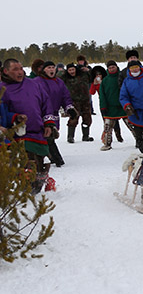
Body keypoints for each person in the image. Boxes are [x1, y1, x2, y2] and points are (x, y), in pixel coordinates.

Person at [1, 58, 52, 193]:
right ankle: (26, 196)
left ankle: (38, 186)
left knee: (40, 165)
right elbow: (3, 112)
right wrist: (15, 118)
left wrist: (49, 123)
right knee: (27, 165)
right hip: (18, 135)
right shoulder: (2, 89)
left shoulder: (34, 84)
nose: (20, 72)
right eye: (15, 69)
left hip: (38, 131)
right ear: (6, 71)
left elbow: (46, 103)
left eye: (21, 68)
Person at [35, 61, 74, 166]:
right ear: (44, 70)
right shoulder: (37, 82)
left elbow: (65, 96)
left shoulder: (59, 82)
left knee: (51, 136)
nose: (51, 69)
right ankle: (55, 159)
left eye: (53, 67)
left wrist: (69, 108)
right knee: (45, 137)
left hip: (54, 113)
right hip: (39, 114)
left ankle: (50, 157)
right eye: (49, 68)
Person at [61, 63, 93, 142]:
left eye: (73, 69)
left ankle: (86, 136)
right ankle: (70, 137)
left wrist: (88, 70)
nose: (72, 71)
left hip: (85, 100)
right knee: (73, 118)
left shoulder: (83, 75)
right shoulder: (65, 78)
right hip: (73, 101)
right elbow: (57, 78)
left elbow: (93, 75)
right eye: (70, 70)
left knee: (87, 118)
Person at [99, 60, 127, 151]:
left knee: (133, 125)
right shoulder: (105, 80)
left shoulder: (122, 77)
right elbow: (102, 95)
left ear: (116, 67)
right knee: (107, 128)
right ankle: (107, 144)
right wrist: (103, 106)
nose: (112, 69)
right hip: (110, 108)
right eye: (110, 67)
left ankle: (139, 141)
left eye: (113, 67)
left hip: (123, 106)